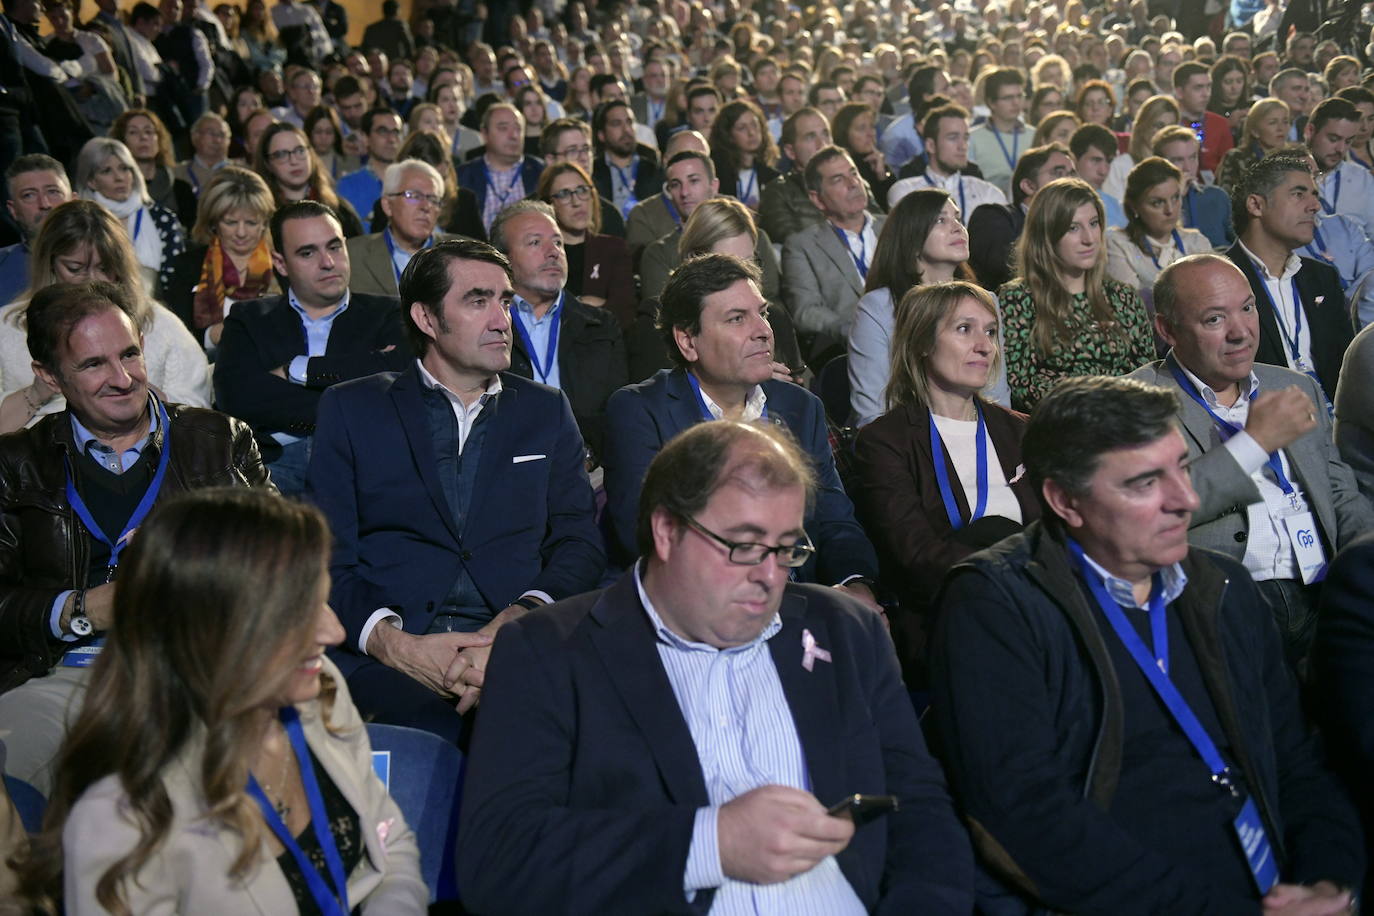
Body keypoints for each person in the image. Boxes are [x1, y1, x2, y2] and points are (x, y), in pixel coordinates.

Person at [457, 418, 973, 914]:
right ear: (667, 531)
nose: (770, 576)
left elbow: (922, 817)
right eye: (745, 546)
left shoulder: (844, 631)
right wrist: (711, 843)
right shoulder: (549, 651)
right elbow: (501, 862)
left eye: (787, 549)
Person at [929, 374, 1364, 913]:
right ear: (1065, 500)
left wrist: (1330, 881)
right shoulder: (995, 605)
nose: (1184, 500)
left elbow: (1297, 761)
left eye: (1182, 468)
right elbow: (1027, 816)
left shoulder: (1222, 586)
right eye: (1144, 483)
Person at [16, 486, 425, 912]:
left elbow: (390, 843)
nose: (334, 633)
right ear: (212, 632)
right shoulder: (122, 823)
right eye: (298, 613)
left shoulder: (319, 690)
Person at [305, 238, 604, 743]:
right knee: (425, 732)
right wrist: (392, 644)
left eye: (505, 301)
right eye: (477, 300)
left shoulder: (545, 411)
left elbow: (578, 542)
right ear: (425, 318)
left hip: (516, 646)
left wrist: (519, 621)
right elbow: (327, 555)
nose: (501, 319)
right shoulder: (353, 409)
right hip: (390, 653)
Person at [0, 280, 266, 795]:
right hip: (65, 675)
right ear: (49, 376)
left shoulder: (219, 441)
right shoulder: (15, 465)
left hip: (198, 668)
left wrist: (190, 556)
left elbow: (283, 573)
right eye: (93, 364)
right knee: (12, 764)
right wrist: (83, 609)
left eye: (130, 355)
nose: (123, 379)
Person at [1130, 253, 1374, 668]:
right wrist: (1254, 444)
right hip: (1226, 604)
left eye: (1247, 308)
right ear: (1168, 329)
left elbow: (1340, 494)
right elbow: (1155, 509)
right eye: (1214, 319)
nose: (1241, 332)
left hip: (1324, 593)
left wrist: (1366, 559)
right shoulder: (1136, 401)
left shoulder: (1292, 385)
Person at [605, 254, 881, 604]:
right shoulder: (641, 411)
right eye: (737, 319)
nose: (764, 331)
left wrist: (855, 582)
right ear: (688, 341)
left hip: (803, 601)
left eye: (762, 313)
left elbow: (834, 519)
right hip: (698, 604)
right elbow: (646, 535)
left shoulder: (801, 407)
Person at [852, 279, 1038, 646]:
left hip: (1039, 607)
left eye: (991, 332)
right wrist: (1010, 582)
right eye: (964, 330)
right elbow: (915, 554)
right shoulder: (886, 442)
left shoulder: (1021, 430)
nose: (985, 346)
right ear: (922, 342)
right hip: (951, 615)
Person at [213, 201, 412, 495]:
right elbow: (238, 397)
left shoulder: (389, 313)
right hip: (271, 465)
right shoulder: (249, 319)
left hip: (364, 463)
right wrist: (353, 393)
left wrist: (298, 369)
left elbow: (399, 381)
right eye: (308, 252)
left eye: (334, 247)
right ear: (281, 263)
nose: (328, 262)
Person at [0, 201, 211, 433]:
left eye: (104, 268)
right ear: (49, 264)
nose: (91, 281)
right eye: (75, 268)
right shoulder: (7, 327)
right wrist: (37, 393)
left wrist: (132, 390)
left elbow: (197, 416)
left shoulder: (161, 326)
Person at [848, 187, 1010, 427]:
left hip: (979, 439)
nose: (957, 227)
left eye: (957, 218)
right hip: (907, 447)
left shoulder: (985, 301)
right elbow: (872, 416)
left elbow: (997, 396)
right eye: (941, 220)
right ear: (911, 239)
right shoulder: (877, 308)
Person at [489, 200, 627, 464]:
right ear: (504, 259)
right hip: (507, 466)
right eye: (534, 242)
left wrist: (586, 456)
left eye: (558, 242)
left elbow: (617, 412)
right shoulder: (486, 325)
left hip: (588, 466)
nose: (552, 252)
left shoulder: (600, 325)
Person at [1226, 151, 1352, 404]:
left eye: (1314, 194)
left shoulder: (1322, 278)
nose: (1314, 205)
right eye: (1298, 194)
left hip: (1335, 424)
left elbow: (1346, 366)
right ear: (1256, 205)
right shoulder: (1221, 281)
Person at [782, 147, 889, 367]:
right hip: (851, 350)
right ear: (817, 199)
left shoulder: (894, 227)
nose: (853, 183)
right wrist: (852, 329)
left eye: (854, 173)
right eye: (838, 179)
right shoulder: (802, 246)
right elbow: (806, 311)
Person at [161, 166, 278, 347]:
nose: (241, 232)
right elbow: (172, 336)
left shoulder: (282, 266)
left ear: (264, 223)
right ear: (213, 221)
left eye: (251, 223)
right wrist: (211, 336)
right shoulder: (188, 266)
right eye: (230, 222)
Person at [73, 137, 186, 300]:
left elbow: (176, 284)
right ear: (91, 181)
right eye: (106, 171)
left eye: (124, 168)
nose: (119, 177)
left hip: (154, 309)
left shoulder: (161, 218)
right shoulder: (80, 220)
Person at [535, 161, 635, 331]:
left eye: (582, 191)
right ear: (548, 204)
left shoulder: (613, 248)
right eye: (565, 194)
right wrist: (589, 305)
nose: (576, 202)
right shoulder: (539, 253)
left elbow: (624, 314)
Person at [967, 142, 1076, 292]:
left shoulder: (1079, 226)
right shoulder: (994, 217)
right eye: (1058, 173)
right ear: (1029, 186)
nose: (1070, 182)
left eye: (1072, 174)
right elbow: (1006, 270)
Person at [1106, 157, 1214, 296]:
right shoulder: (1118, 244)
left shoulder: (1197, 242)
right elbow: (1131, 304)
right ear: (1134, 206)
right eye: (1157, 203)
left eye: (1175, 198)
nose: (1170, 210)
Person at [345, 159, 450, 299]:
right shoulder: (351, 256)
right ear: (387, 205)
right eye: (413, 196)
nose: (426, 206)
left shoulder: (464, 256)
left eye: (433, 199)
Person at [254, 121, 366, 238]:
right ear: (267, 164)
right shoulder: (261, 217)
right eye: (281, 154)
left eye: (300, 150)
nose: (294, 161)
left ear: (310, 154)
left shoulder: (340, 210)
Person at [887, 104, 1006, 213]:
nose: (963, 146)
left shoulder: (989, 194)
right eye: (953, 138)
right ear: (931, 146)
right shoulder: (906, 193)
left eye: (965, 138)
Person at [456, 103, 545, 235]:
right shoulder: (463, 176)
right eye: (503, 128)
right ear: (484, 134)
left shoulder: (541, 173)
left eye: (518, 128)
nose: (514, 135)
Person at [0, 155, 74, 307]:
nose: (44, 204)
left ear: (74, 200)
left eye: (53, 192)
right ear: (13, 210)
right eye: (29, 195)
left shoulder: (105, 261)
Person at [109, 109, 197, 230]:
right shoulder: (116, 191)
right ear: (122, 141)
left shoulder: (181, 190)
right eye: (133, 132)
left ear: (159, 139)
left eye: (149, 131)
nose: (143, 137)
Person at [1153, 125, 1235, 248]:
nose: (1187, 167)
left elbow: (1240, 245)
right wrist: (1176, 196)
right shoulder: (1153, 204)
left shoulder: (1216, 196)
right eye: (1178, 160)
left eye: (1192, 157)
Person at [1307, 97, 1374, 231]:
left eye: (1348, 141)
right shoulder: (1286, 176)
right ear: (1310, 131)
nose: (1341, 149)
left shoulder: (1363, 179)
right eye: (1333, 139)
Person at [592, 99, 663, 220]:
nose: (626, 130)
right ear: (601, 135)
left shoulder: (652, 170)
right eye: (616, 124)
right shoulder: (593, 172)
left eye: (629, 122)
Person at [336, 108, 403, 233]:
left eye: (396, 132)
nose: (392, 139)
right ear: (365, 138)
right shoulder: (346, 187)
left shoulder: (413, 183)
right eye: (383, 132)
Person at [1103, 94, 1179, 202]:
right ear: (1143, 126)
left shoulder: (1177, 167)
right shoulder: (1121, 167)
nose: (1165, 132)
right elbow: (1114, 214)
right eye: (1159, 125)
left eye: (1171, 127)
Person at [968, 67, 1030, 198]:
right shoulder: (972, 138)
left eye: (1019, 96)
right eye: (1008, 98)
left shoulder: (1034, 135)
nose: (1016, 102)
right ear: (991, 103)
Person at [707, 98, 778, 212]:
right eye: (742, 128)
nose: (751, 133)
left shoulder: (772, 176)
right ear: (728, 136)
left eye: (754, 125)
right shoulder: (718, 174)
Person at [1215, 99, 1293, 198]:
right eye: (1273, 122)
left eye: (1285, 122)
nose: (1281, 128)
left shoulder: (1295, 159)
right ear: (1255, 131)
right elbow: (1225, 200)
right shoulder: (1236, 158)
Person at [1172, 62, 1235, 176]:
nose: (1206, 94)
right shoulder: (1169, 123)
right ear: (1179, 92)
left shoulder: (1220, 124)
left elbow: (1228, 170)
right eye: (1198, 88)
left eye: (1208, 87)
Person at [1070, 123, 1127, 228]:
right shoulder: (1054, 202)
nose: (1103, 171)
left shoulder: (1117, 209)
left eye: (1109, 162)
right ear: (1074, 159)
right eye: (1096, 160)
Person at [174, 111, 234, 197]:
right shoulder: (177, 173)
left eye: (222, 135)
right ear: (195, 137)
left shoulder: (242, 173)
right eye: (211, 133)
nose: (217, 140)